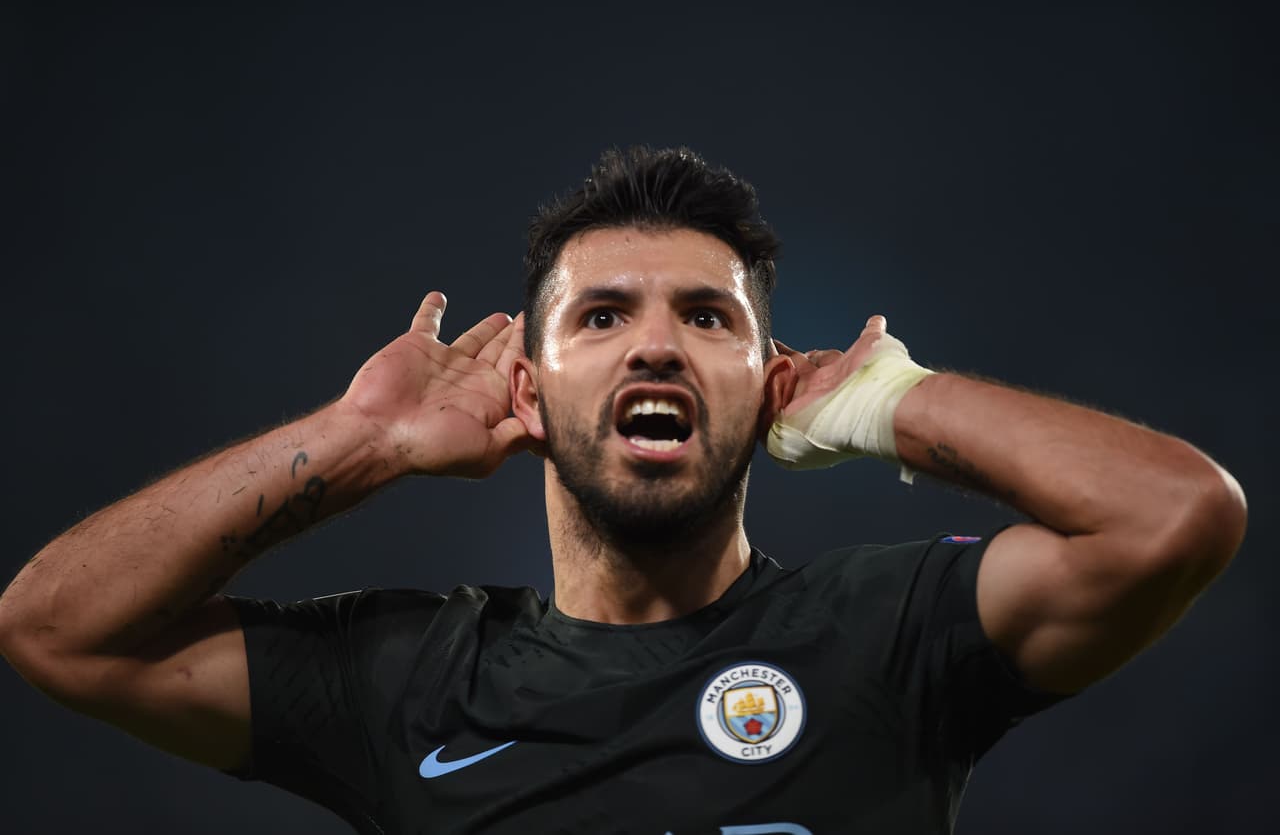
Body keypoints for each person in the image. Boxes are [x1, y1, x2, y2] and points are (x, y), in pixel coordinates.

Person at [0, 146, 1247, 835]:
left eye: (706, 318)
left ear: (770, 386)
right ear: (529, 394)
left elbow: (1173, 516)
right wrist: (358, 440)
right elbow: (57, 627)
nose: (655, 345)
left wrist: (896, 403)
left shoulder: (893, 635)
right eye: (602, 316)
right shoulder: (403, 677)